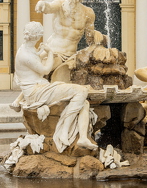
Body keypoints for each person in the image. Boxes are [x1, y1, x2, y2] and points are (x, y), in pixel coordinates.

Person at [10, 21, 97, 153]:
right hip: (36, 93)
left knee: (83, 102)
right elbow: (45, 70)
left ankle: (83, 138)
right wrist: (50, 52)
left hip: (40, 88)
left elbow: (36, 60)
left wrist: (42, 53)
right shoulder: (26, 55)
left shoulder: (26, 49)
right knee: (82, 90)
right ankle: (64, 131)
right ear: (37, 36)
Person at [35, 0, 107, 82]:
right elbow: (49, 7)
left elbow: (89, 37)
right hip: (51, 47)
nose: (73, 1)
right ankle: (27, 95)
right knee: (33, 67)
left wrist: (99, 37)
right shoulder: (60, 5)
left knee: (42, 70)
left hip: (67, 54)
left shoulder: (88, 13)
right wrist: (41, 3)